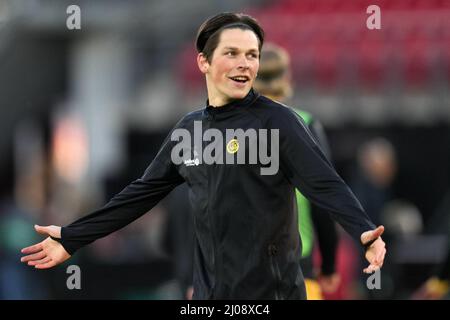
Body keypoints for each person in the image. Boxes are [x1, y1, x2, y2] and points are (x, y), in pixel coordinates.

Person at [21, 12, 386, 300]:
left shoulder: (280, 123)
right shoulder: (189, 131)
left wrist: (366, 233)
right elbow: (138, 195)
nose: (245, 64)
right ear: (203, 62)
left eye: (252, 55)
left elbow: (326, 186)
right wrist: (72, 237)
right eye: (232, 53)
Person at [253, 43, 340, 299]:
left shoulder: (229, 129)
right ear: (287, 78)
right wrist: (329, 264)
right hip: (297, 270)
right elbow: (323, 200)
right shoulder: (306, 125)